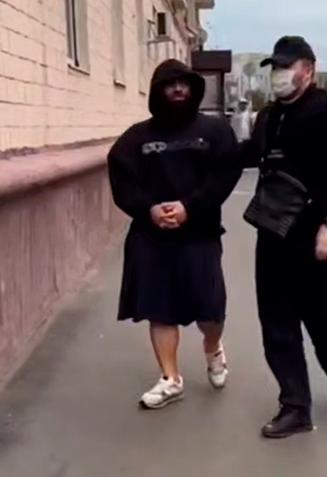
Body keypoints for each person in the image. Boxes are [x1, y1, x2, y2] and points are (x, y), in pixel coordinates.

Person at [242, 36, 327, 438]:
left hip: (318, 235)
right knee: (276, 322)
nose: (278, 75)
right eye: (275, 68)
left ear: (307, 70)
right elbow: (251, 154)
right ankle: (295, 406)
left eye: (285, 66)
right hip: (274, 233)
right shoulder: (269, 116)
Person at [108, 59, 242, 409]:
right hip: (151, 236)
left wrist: (190, 207)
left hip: (199, 233)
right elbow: (122, 181)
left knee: (209, 309)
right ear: (158, 92)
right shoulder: (136, 138)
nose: (178, 89)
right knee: (160, 308)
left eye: (184, 83)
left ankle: (212, 347)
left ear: (194, 89)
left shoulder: (214, 131)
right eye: (170, 84)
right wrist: (148, 209)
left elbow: (224, 176)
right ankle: (170, 378)